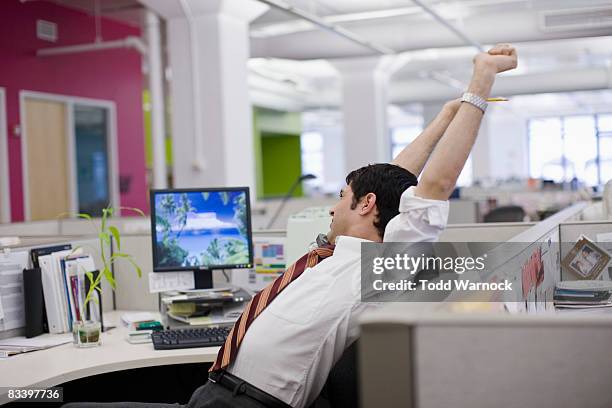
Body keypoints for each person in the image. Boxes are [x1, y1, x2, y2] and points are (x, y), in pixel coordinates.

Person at [63, 43, 518, 408]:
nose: (332, 209)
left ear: (366, 206)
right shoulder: (341, 255)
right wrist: (446, 114)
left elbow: (435, 185)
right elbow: (389, 178)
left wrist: (480, 84)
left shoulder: (384, 265)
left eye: (342, 198)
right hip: (216, 393)